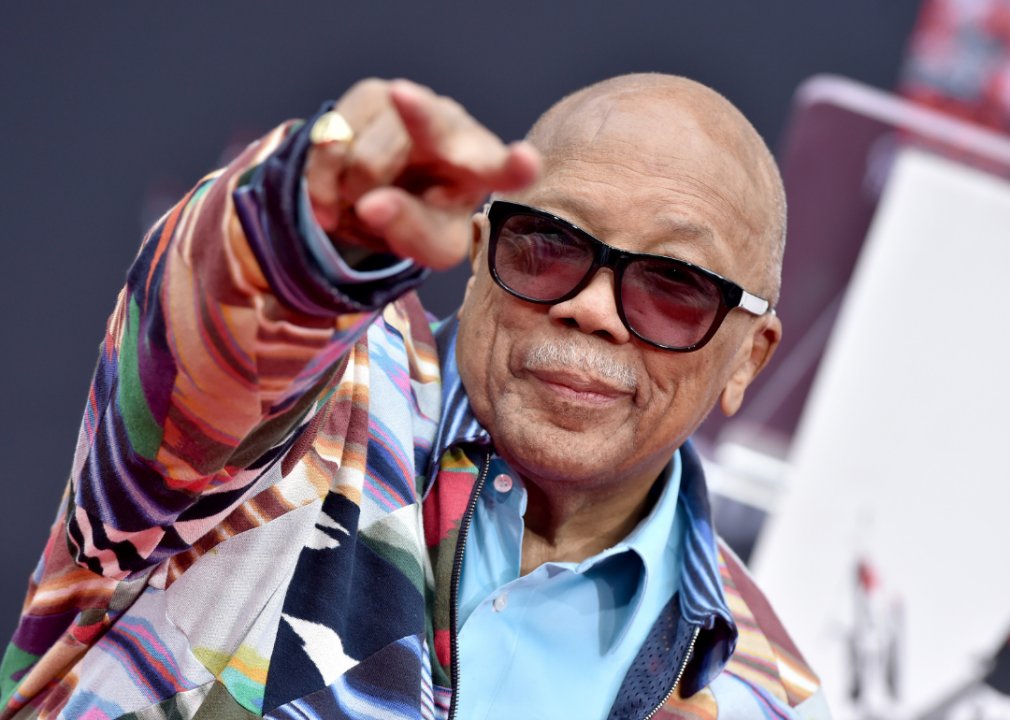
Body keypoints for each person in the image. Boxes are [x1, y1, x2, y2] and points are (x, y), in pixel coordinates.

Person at [0, 74, 830, 720]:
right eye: (547, 245)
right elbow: (203, 343)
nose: (591, 307)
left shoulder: (762, 695)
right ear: (477, 254)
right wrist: (306, 226)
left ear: (746, 361)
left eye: (674, 286)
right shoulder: (322, 399)